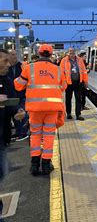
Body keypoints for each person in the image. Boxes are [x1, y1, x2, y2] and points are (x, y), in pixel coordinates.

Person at [14, 44, 66, 175]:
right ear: (51, 54)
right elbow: (63, 86)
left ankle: (34, 165)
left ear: (39, 53)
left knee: (35, 135)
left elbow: (19, 86)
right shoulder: (58, 70)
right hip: (52, 109)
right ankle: (47, 165)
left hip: (35, 109)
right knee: (49, 136)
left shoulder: (29, 68)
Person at [0, 49, 26, 222]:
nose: (9, 65)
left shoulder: (7, 80)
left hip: (2, 135)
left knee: (2, 171)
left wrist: (17, 112)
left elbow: (10, 103)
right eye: (5, 61)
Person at [60, 48, 88, 120]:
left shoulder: (79, 60)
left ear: (75, 53)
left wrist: (85, 81)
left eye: (73, 52)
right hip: (68, 83)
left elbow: (84, 71)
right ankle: (68, 113)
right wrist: (63, 82)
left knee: (78, 98)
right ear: (68, 53)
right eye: (70, 52)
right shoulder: (64, 60)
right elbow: (61, 72)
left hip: (78, 82)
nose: (71, 54)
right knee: (68, 98)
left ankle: (78, 114)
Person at [6, 49, 28, 142]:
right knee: (13, 114)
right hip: (10, 95)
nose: (14, 56)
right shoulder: (6, 67)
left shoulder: (22, 66)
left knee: (22, 113)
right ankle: (18, 132)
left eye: (15, 54)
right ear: (8, 56)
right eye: (12, 54)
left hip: (22, 94)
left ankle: (22, 133)